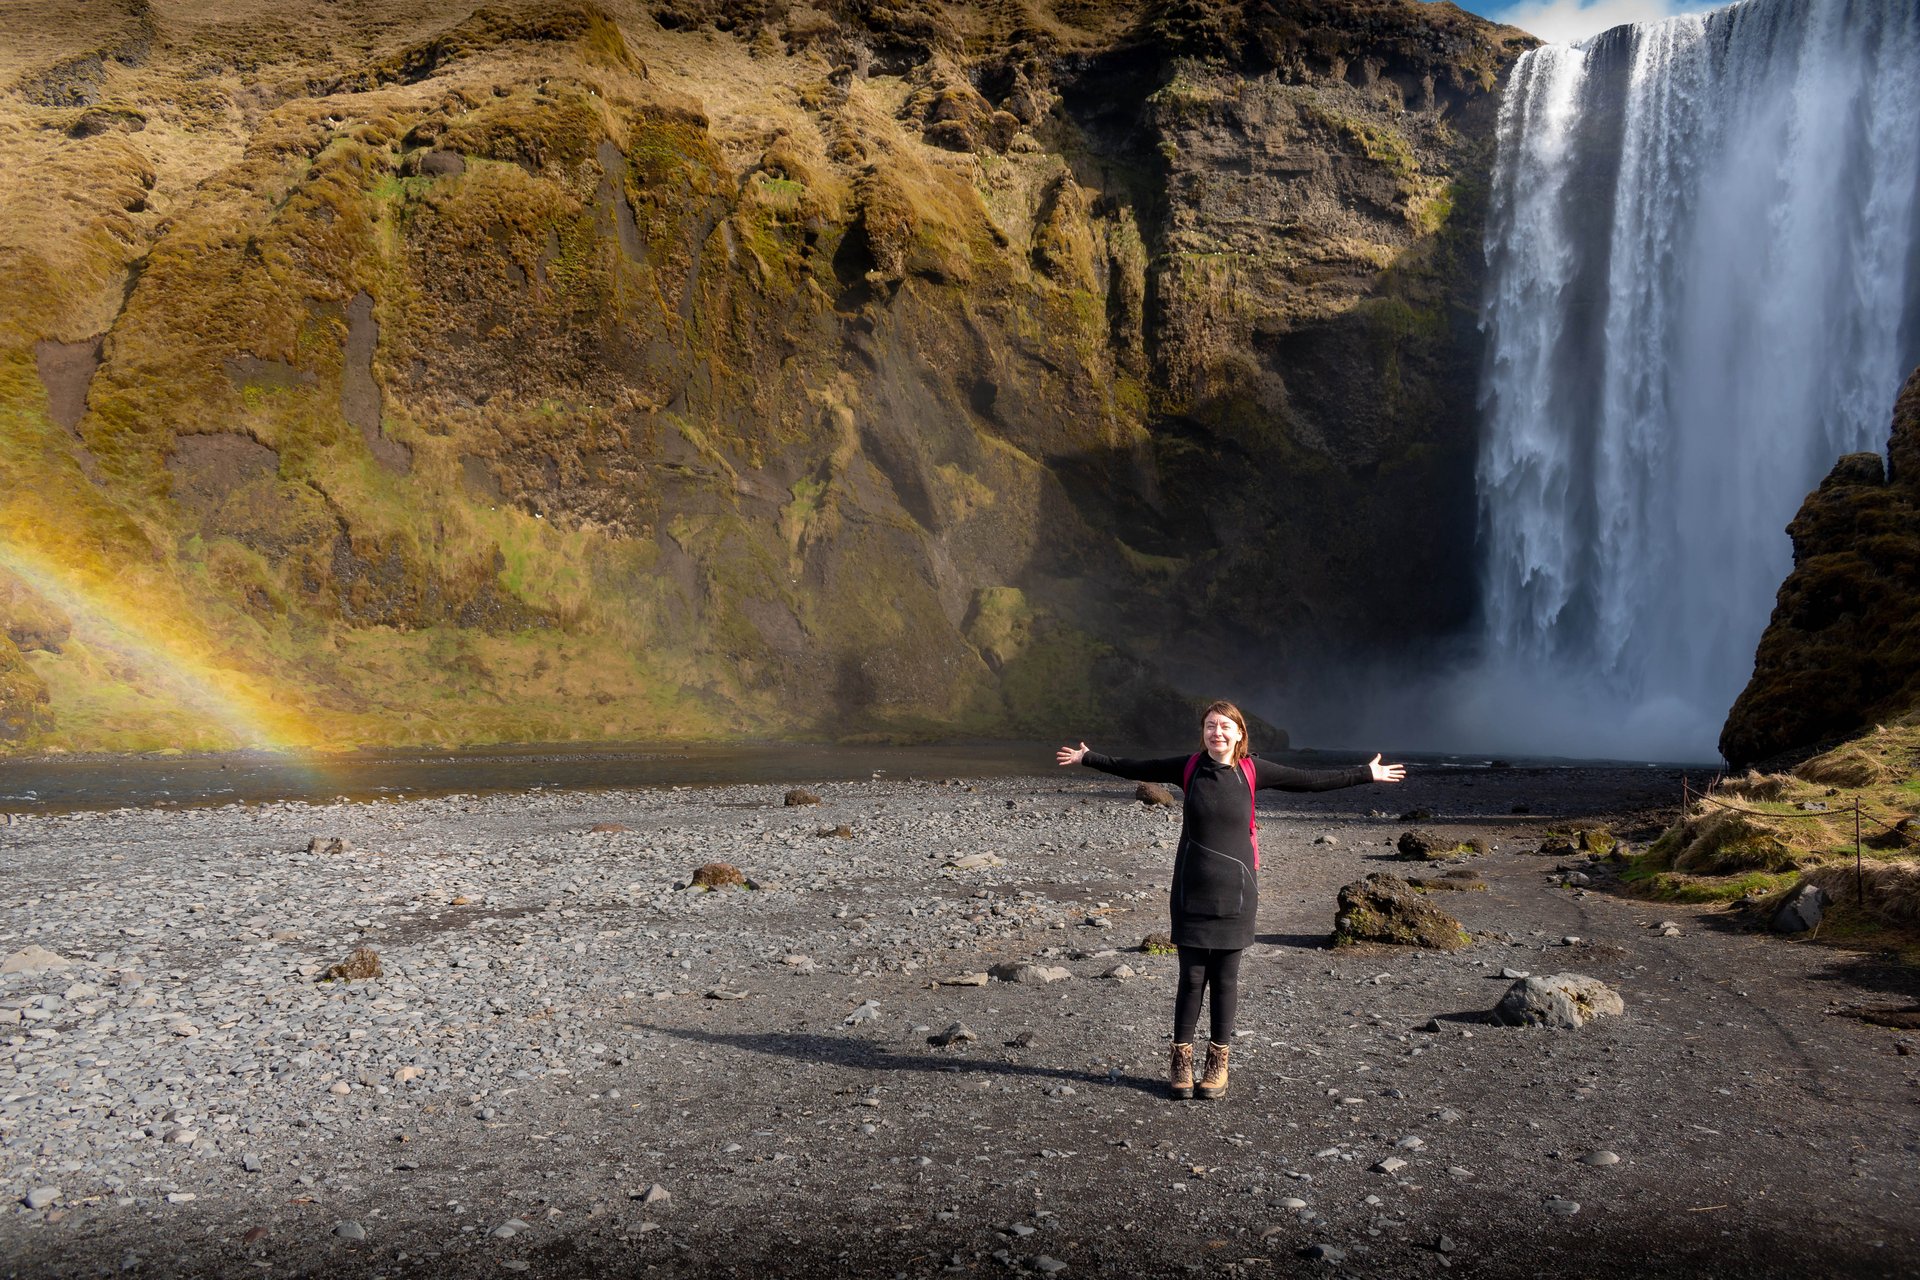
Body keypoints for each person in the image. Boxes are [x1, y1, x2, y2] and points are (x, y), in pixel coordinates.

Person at [1056, 700, 1405, 1100]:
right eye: (1209, 726)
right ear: (1203, 733)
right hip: (1191, 888)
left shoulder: (1254, 770)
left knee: (1224, 979)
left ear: (1239, 733)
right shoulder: (1187, 767)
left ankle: (1217, 1065)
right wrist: (1089, 758)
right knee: (1190, 978)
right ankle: (1181, 1063)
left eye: (1224, 726)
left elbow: (1309, 778)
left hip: (1238, 892)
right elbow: (1136, 766)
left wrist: (1366, 773)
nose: (1216, 733)